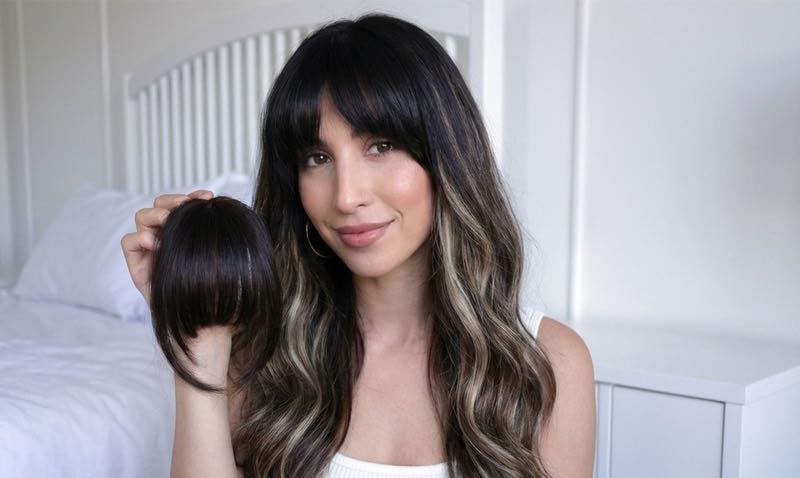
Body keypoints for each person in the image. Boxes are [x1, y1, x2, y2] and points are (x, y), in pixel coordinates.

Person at [121, 13, 595, 478]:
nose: (346, 197)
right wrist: (193, 337)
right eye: (317, 157)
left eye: (380, 146)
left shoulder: (548, 364)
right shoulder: (263, 355)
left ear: (446, 154)